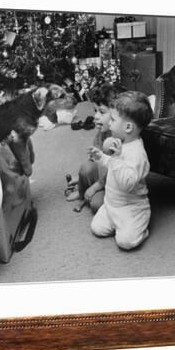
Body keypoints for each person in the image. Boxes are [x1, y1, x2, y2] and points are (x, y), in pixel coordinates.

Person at [89, 90, 153, 250]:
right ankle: (115, 219)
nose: (109, 123)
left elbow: (126, 183)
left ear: (128, 127)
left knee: (125, 242)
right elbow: (114, 166)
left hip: (131, 207)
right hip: (112, 204)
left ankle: (141, 223)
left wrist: (116, 158)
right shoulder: (122, 142)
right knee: (97, 228)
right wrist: (101, 158)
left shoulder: (138, 154)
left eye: (112, 119)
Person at [65, 84, 122, 213]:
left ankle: (90, 190)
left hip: (116, 183)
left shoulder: (120, 140)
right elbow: (93, 161)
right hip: (103, 175)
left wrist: (96, 186)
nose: (96, 116)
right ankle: (81, 192)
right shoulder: (102, 132)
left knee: (96, 205)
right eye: (95, 111)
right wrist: (82, 179)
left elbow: (116, 171)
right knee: (85, 168)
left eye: (101, 111)